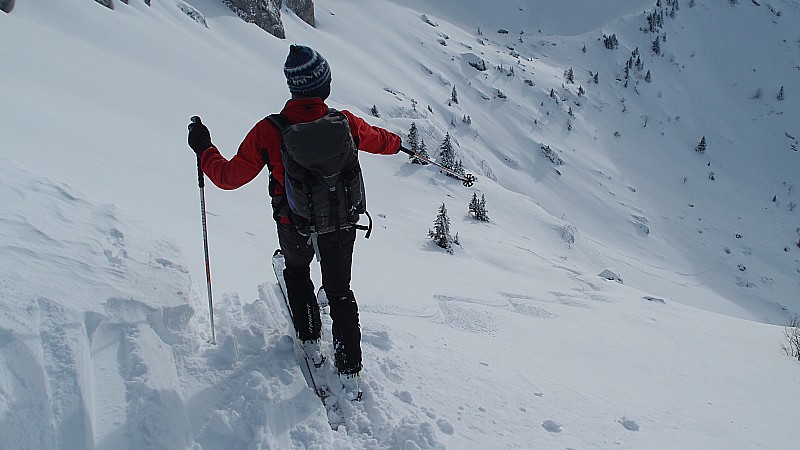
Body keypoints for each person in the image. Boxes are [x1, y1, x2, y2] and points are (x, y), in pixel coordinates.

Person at [187, 45, 402, 397]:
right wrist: (402, 146)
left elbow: (229, 177)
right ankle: (349, 370)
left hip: (294, 222)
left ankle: (311, 340)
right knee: (339, 291)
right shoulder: (346, 122)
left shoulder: (269, 130)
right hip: (339, 222)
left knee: (298, 273)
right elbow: (381, 141)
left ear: (293, 88)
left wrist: (204, 148)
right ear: (324, 85)